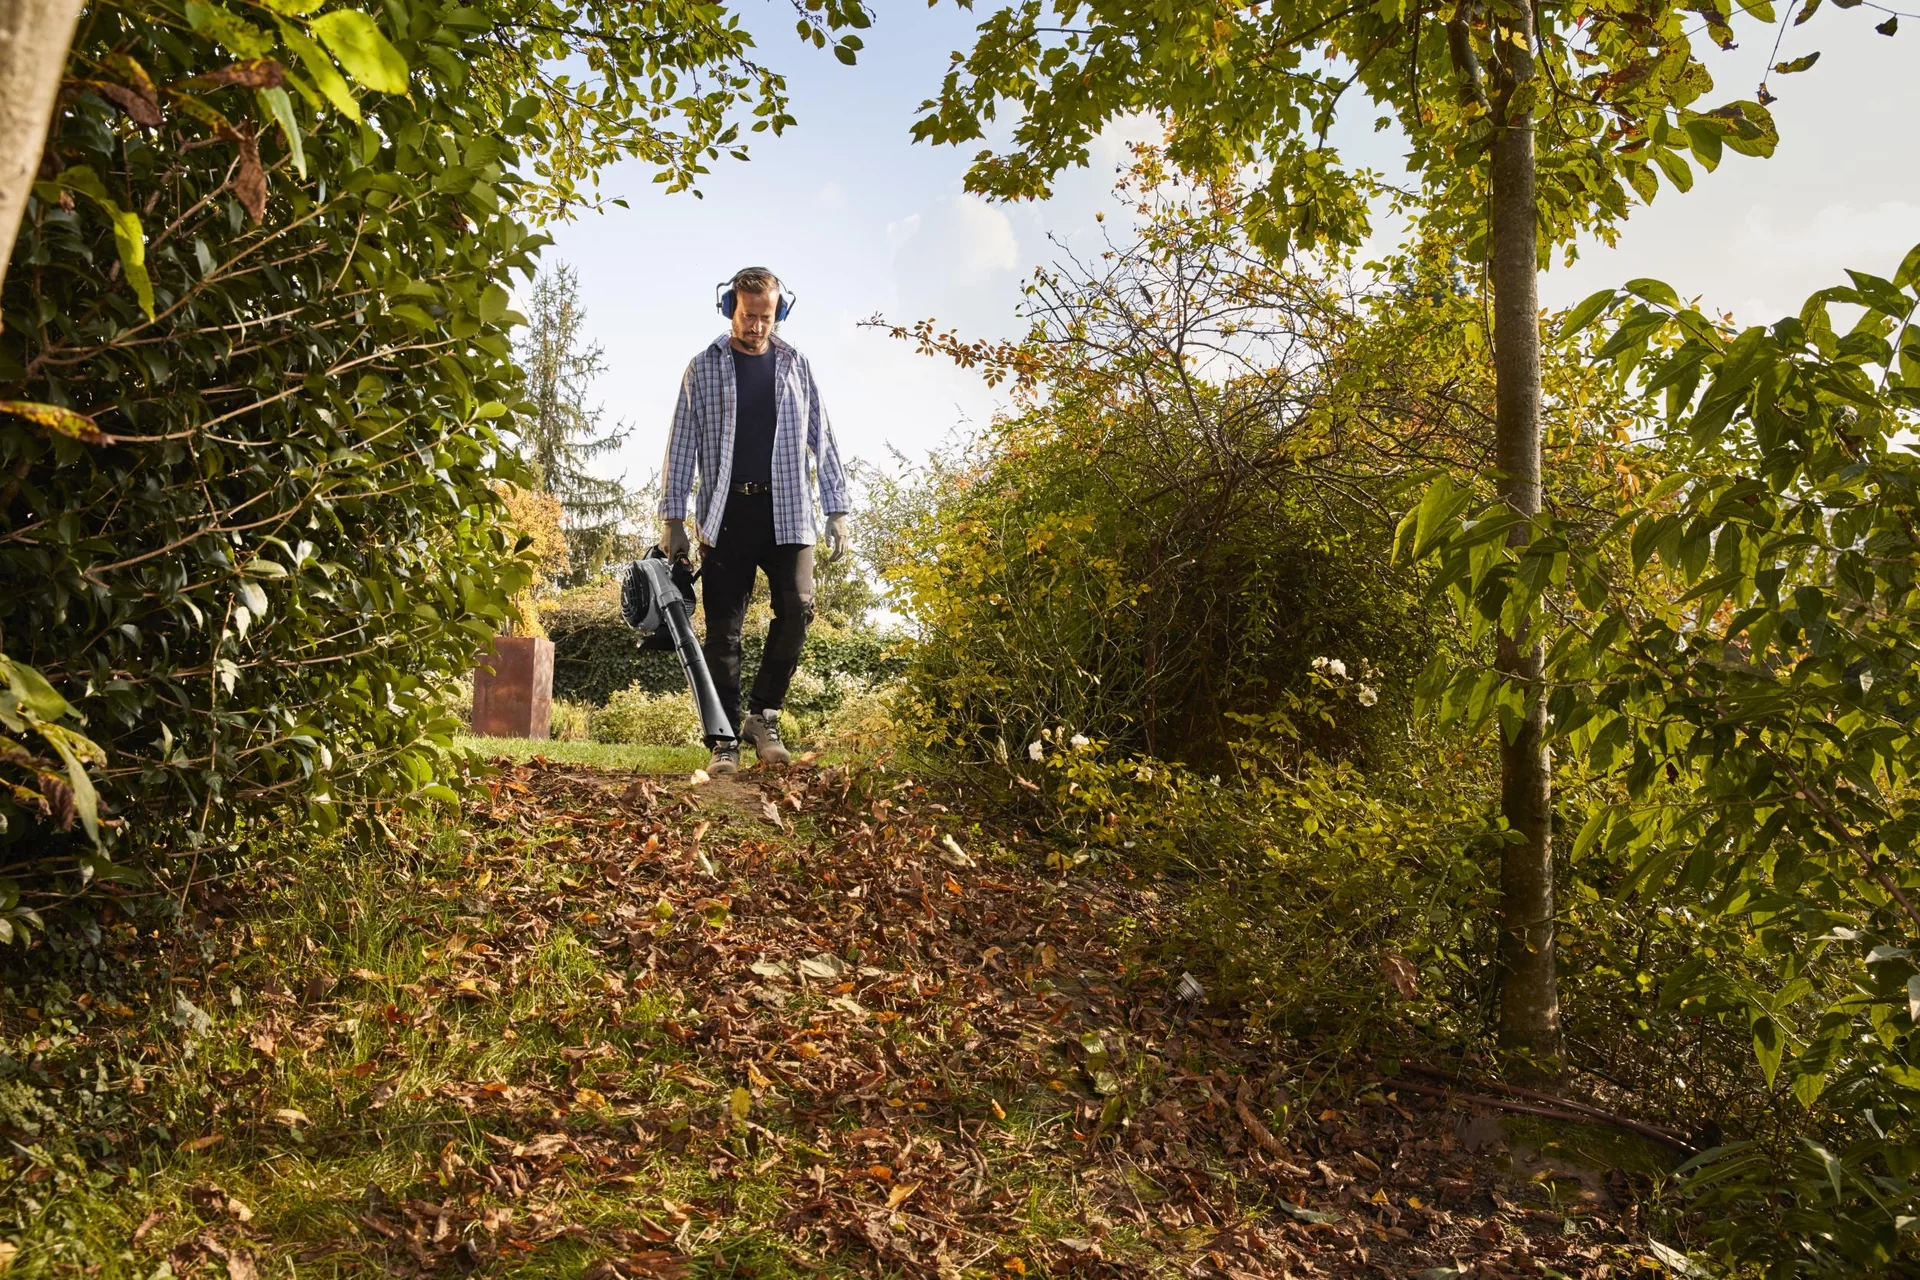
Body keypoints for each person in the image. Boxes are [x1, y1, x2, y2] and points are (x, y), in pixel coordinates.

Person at [658, 266, 849, 776]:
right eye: (748, 315)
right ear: (730, 309)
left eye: (767, 317)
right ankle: (723, 740)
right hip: (727, 513)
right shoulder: (702, 368)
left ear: (779, 312)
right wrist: (673, 520)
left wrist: (837, 508)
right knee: (724, 632)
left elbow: (823, 437)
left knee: (798, 610)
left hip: (790, 510)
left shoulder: (796, 366)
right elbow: (681, 446)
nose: (757, 326)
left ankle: (763, 717)